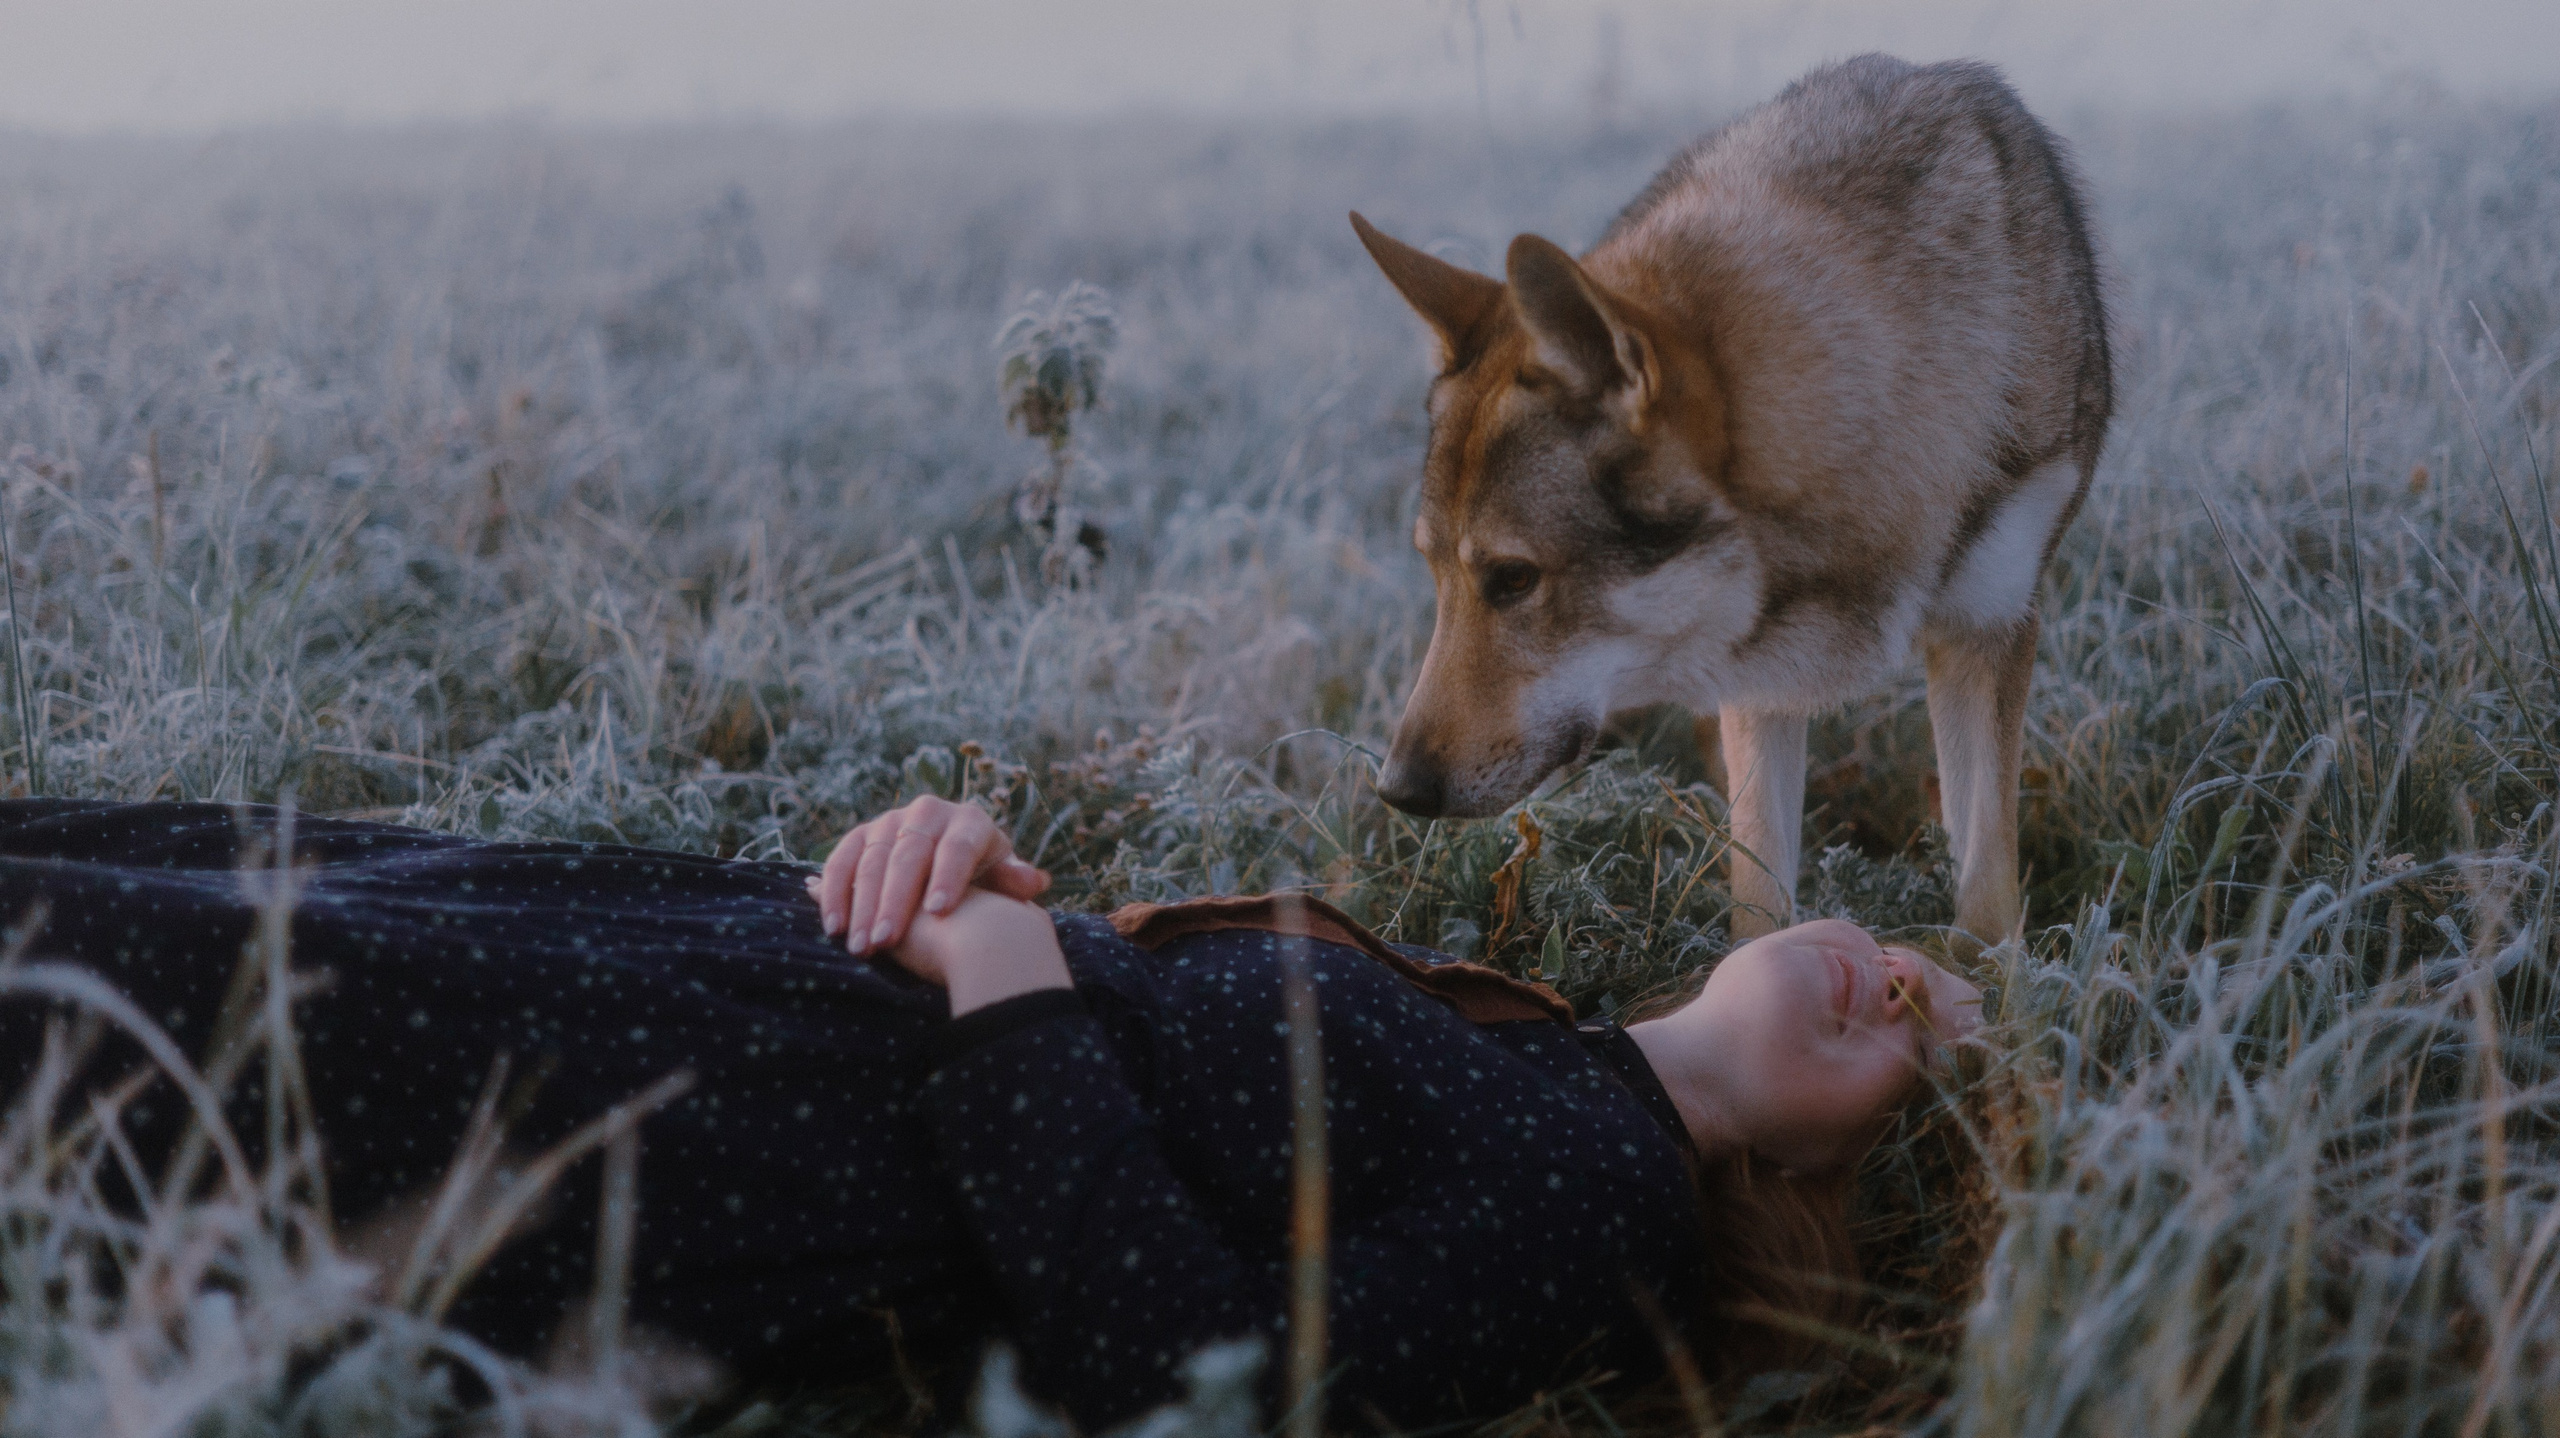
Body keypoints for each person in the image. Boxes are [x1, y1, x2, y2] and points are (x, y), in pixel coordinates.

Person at [0, 795, 1979, 1429]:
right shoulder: (1532, 1040)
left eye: (1918, 1034)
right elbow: (1161, 1027)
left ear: (1821, 1159)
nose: (1886, 973)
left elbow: (1180, 1370)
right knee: (139, 915)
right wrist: (946, 851)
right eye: (1903, 947)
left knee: (119, 1027)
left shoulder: (1606, 1200)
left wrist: (1013, 984)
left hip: (748, 1138)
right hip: (734, 992)